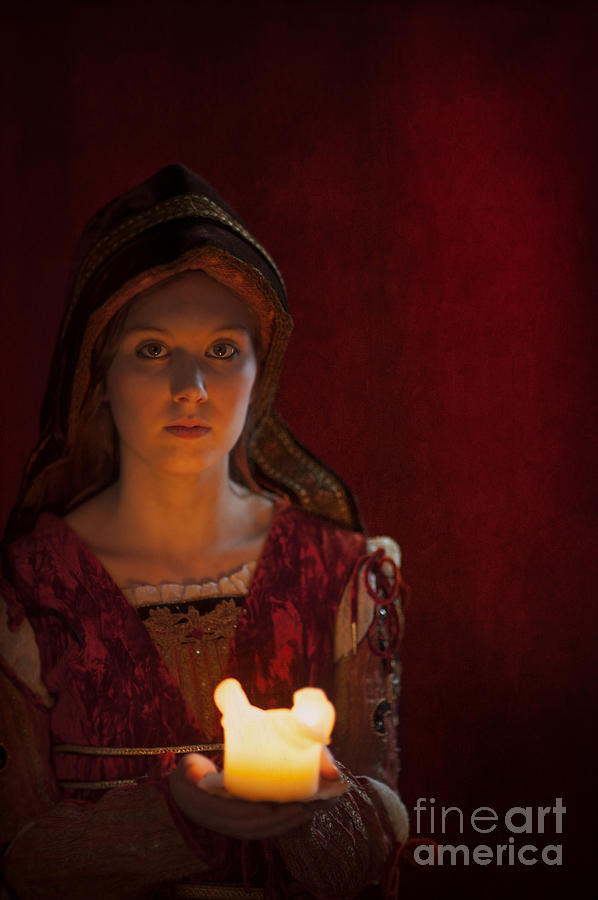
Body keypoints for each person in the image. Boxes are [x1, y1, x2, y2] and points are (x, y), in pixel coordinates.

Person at [0, 164, 409, 899]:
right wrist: (173, 815)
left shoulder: (339, 575)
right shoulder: (28, 591)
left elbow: (379, 844)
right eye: (153, 349)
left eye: (222, 349)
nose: (191, 387)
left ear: (261, 371)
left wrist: (306, 816)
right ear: (99, 373)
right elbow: (14, 854)